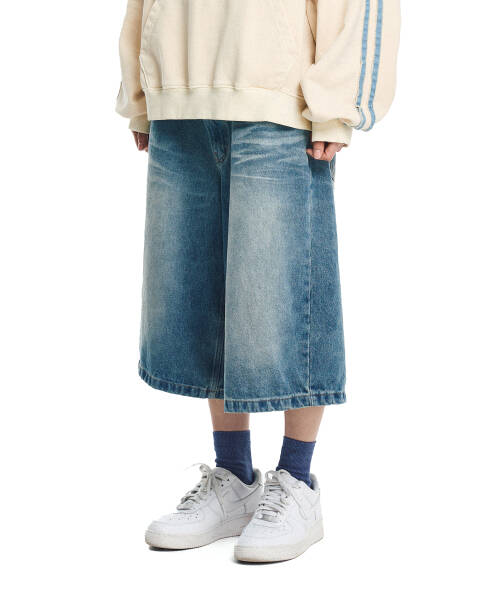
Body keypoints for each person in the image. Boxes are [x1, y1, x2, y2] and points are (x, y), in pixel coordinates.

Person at [116, 0, 400, 563]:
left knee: (287, 292)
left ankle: (296, 481)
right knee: (204, 293)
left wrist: (337, 105)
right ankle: (233, 477)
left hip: (280, 95)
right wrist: (143, 95)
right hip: (182, 94)